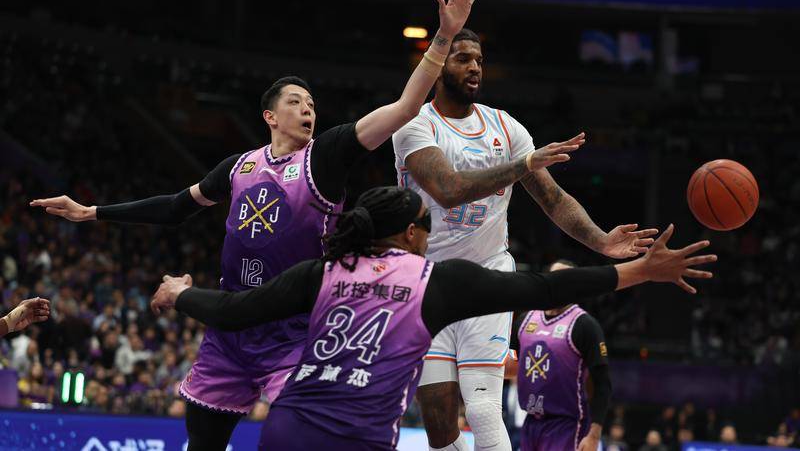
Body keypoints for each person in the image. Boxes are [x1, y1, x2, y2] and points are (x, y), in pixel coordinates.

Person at [30, 0, 482, 450]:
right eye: (296, 102)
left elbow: (405, 107)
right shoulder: (238, 167)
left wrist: (443, 37)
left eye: (312, 104)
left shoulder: (325, 156)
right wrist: (92, 212)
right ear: (270, 116)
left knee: (301, 440)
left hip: (295, 332)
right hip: (228, 332)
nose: (308, 110)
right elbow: (175, 207)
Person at [150, 186, 716, 451]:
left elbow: (234, 310)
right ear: (413, 234)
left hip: (287, 429)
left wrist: (180, 293)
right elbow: (548, 286)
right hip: (356, 440)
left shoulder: (321, 271)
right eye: (428, 224)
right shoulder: (435, 280)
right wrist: (641, 271)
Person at [392, 28, 658, 451]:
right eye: (463, 59)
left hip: (488, 278)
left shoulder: (505, 126)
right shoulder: (412, 126)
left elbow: (553, 199)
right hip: (426, 281)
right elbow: (448, 188)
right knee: (439, 425)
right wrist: (525, 163)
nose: (475, 67)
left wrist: (601, 242)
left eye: (479, 60)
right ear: (438, 66)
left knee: (483, 408)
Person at [510, 259, 612, 450]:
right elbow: (510, 366)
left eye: (566, 279)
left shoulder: (584, 325)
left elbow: (603, 384)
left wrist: (594, 434)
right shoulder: (525, 320)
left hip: (567, 425)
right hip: (531, 422)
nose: (559, 283)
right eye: (555, 277)